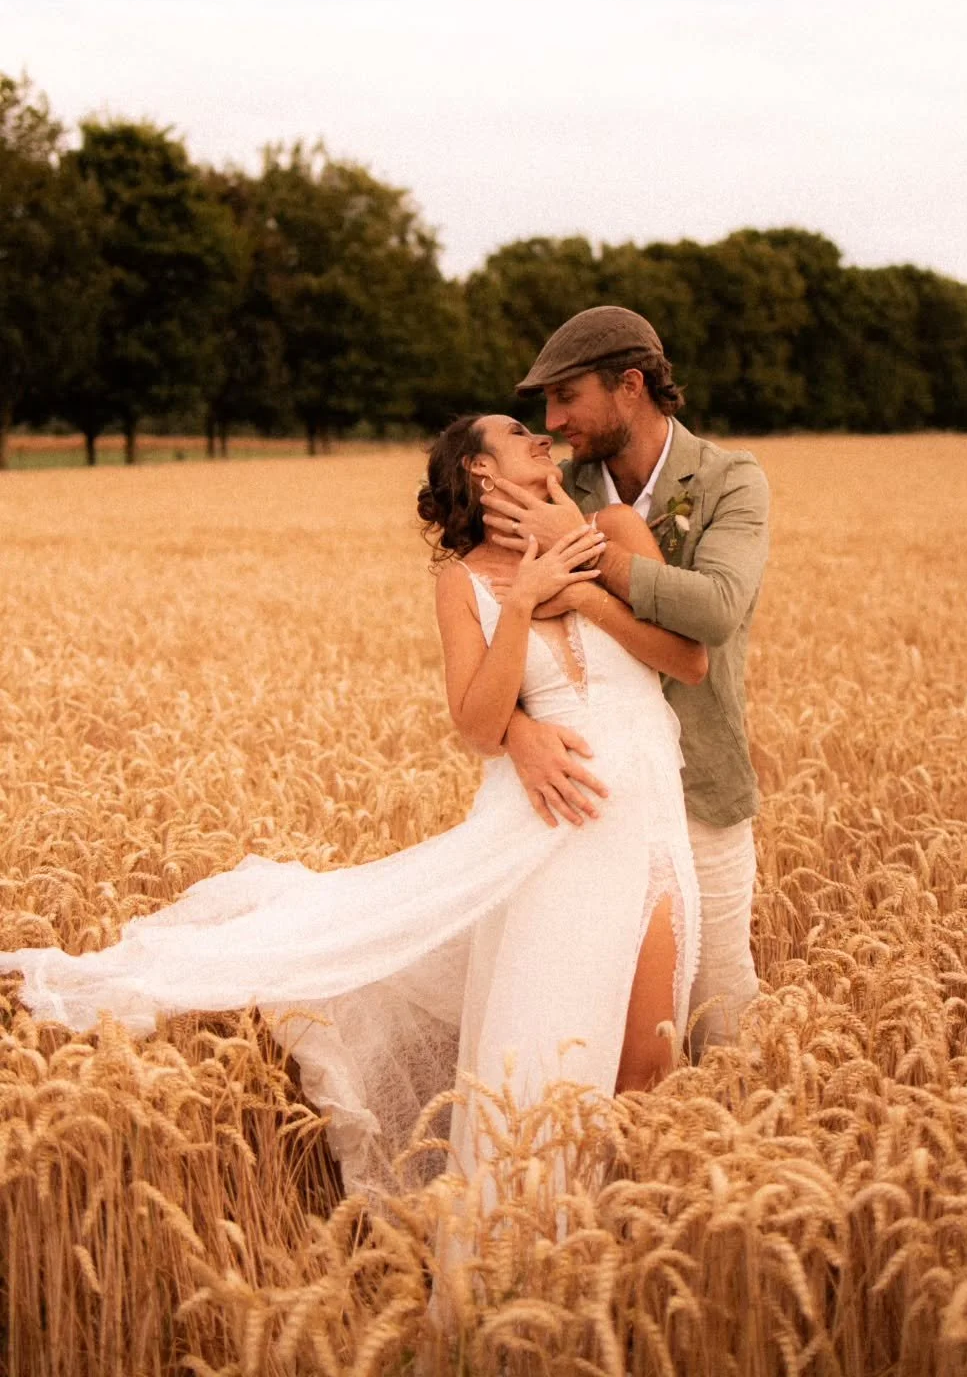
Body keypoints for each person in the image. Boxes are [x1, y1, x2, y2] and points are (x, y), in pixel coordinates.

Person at [0, 412, 705, 1196]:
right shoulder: (462, 582)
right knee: (548, 1063)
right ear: (478, 470)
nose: (544, 436)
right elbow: (475, 723)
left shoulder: (613, 530)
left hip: (646, 824)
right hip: (551, 837)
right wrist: (522, 609)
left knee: (650, 1062)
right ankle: (526, 1266)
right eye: (518, 433)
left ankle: (628, 1247)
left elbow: (686, 658)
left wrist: (578, 580)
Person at [480, 307, 769, 1050]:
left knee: (718, 1008)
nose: (550, 421)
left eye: (566, 396)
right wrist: (516, 733)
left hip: (701, 783)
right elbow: (498, 633)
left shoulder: (731, 479)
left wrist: (582, 552)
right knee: (598, 1016)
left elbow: (718, 609)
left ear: (630, 385)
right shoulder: (549, 486)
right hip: (589, 799)